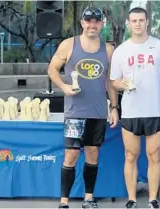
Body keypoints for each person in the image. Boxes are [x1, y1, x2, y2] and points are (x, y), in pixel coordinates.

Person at [47, 7, 119, 209]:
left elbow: (111, 81)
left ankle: (89, 198)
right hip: (74, 113)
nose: (92, 24)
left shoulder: (108, 49)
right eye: (89, 21)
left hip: (97, 112)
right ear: (82, 23)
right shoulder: (69, 45)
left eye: (96, 21)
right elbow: (52, 69)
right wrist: (63, 86)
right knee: (71, 155)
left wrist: (114, 107)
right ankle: (64, 202)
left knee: (93, 153)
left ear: (101, 24)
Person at [110, 6, 160, 209]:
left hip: (155, 110)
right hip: (130, 111)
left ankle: (153, 199)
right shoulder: (121, 50)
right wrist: (120, 85)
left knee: (154, 155)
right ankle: (131, 199)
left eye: (141, 20)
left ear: (147, 22)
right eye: (134, 21)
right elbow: (114, 81)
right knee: (131, 155)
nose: (137, 24)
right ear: (129, 24)